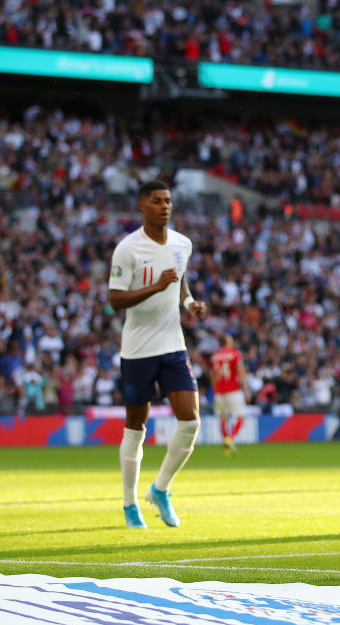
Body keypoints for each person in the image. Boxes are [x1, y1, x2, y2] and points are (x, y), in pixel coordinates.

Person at [108, 180, 208, 529]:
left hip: (172, 345)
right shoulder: (128, 249)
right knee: (136, 428)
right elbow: (115, 299)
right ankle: (129, 503)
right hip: (137, 350)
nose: (164, 206)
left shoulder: (183, 244)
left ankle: (160, 489)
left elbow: (179, 281)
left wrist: (189, 302)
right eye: (156, 201)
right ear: (143, 207)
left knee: (191, 421)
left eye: (167, 201)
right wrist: (155, 285)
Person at [209, 334, 250, 455]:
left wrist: (215, 390)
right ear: (227, 341)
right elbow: (240, 372)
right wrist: (246, 389)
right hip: (233, 390)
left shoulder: (215, 356)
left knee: (223, 418)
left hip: (219, 391)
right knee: (240, 417)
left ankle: (226, 448)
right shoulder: (235, 354)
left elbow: (212, 376)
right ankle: (230, 438)